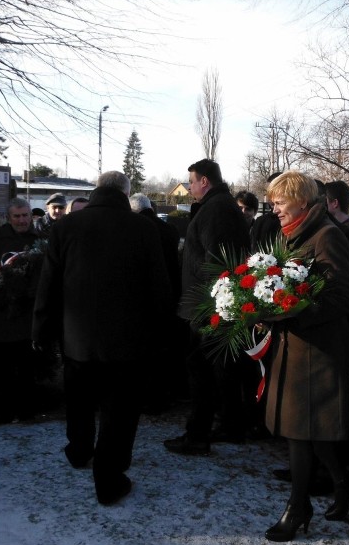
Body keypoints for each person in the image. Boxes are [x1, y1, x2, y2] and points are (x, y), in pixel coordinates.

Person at [34, 172, 170, 506]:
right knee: (119, 412)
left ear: (96, 190)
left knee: (79, 401)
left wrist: (41, 328)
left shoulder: (65, 227)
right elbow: (158, 285)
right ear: (125, 193)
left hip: (77, 338)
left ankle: (79, 451)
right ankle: (109, 480)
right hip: (127, 342)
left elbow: (48, 283)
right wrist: (163, 330)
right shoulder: (142, 228)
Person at [262, 171, 349, 541]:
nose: (274, 209)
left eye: (279, 202)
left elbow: (342, 297)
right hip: (294, 348)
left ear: (301, 201)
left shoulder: (327, 235)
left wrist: (293, 311)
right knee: (310, 435)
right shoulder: (292, 236)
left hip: (318, 353)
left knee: (300, 433)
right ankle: (344, 482)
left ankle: (298, 507)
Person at [163, 158, 250, 455]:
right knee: (220, 369)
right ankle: (230, 424)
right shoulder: (218, 206)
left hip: (209, 306)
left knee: (202, 370)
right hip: (211, 303)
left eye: (191, 181)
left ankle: (198, 435)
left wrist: (207, 296)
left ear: (205, 181)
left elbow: (220, 262)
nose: (188, 188)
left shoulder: (217, 209)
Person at [0, 197, 40, 423]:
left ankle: (26, 410)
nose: (22, 220)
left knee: (26, 367)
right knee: (1, 368)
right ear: (9, 217)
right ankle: (2, 411)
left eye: (25, 216)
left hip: (28, 313)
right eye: (17, 216)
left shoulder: (38, 240)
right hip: (2, 314)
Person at [129, 192, 183, 413]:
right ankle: (163, 395)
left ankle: (148, 398)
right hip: (170, 294)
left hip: (144, 298)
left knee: (145, 352)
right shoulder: (168, 229)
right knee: (164, 349)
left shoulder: (137, 229)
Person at [251, 172, 282, 252]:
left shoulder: (297, 223)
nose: (268, 197)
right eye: (267, 192)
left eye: (273, 192)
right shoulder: (260, 222)